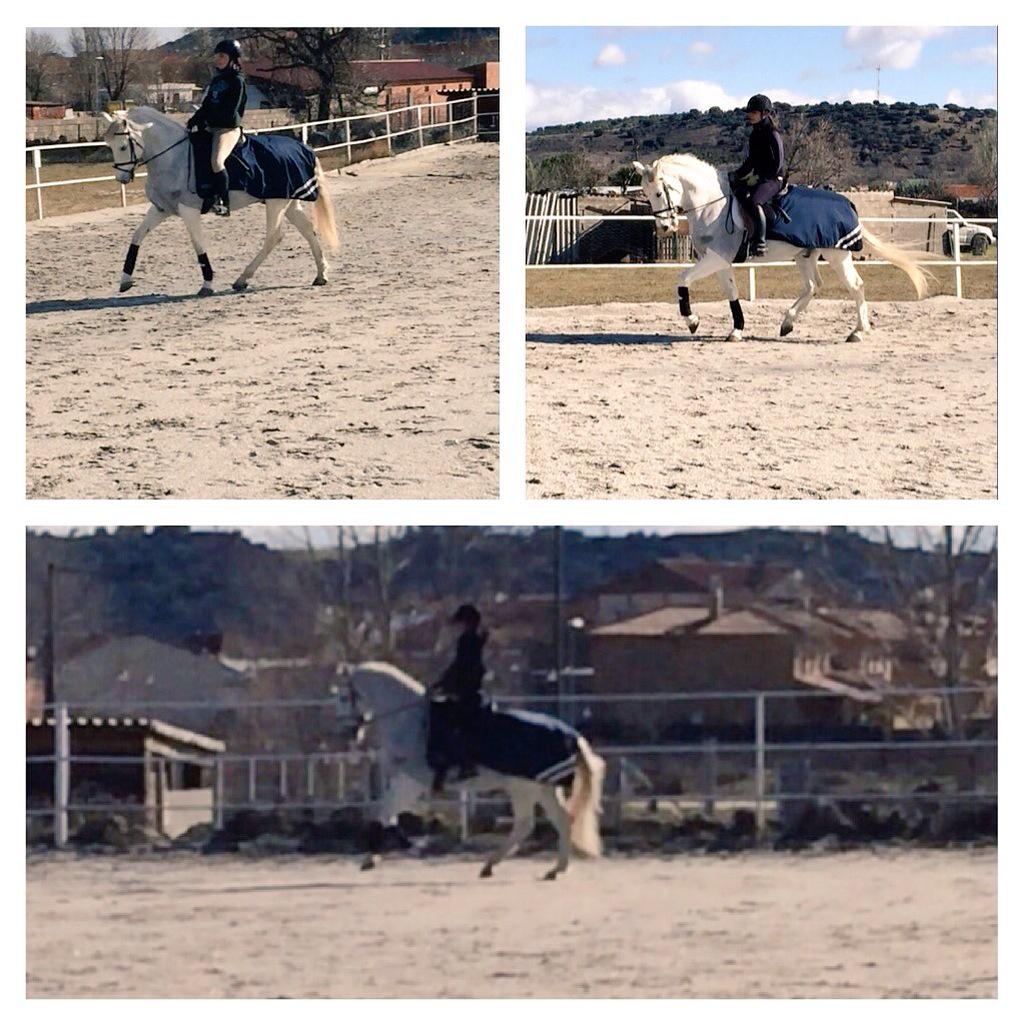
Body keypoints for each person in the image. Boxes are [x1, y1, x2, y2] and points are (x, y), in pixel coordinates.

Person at [429, 604, 488, 793]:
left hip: (466, 694)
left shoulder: (467, 641)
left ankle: (459, 764)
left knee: (442, 721)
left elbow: (461, 668)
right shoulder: (473, 640)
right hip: (468, 692)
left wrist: (443, 685)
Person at [186, 39, 247, 216]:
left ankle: (224, 202)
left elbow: (230, 111)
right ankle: (206, 194)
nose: (218, 59)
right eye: (217, 56)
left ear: (232, 58)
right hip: (212, 126)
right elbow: (207, 105)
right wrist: (194, 120)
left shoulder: (237, 81)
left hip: (227, 129)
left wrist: (207, 121)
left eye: (222, 56)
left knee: (216, 161)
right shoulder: (217, 80)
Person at [728, 94, 786, 257]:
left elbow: (778, 164)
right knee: (739, 193)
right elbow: (751, 161)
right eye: (749, 112)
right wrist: (736, 175)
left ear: (764, 113)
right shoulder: (754, 135)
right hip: (760, 177)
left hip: (774, 179)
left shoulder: (773, 134)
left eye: (753, 112)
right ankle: (744, 238)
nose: (749, 115)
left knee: (756, 200)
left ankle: (760, 242)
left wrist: (761, 178)